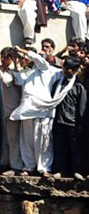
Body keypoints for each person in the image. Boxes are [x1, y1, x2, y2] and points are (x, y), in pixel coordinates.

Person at [10, 46, 76, 176]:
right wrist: (17, 64)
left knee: (44, 140)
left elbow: (36, 57)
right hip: (28, 108)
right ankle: (28, 166)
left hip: (43, 109)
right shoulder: (29, 72)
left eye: (26, 57)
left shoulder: (45, 68)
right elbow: (19, 80)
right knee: (27, 139)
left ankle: (45, 168)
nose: (25, 59)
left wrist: (19, 49)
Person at [50, 57, 86, 177]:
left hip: (73, 123)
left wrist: (80, 124)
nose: (65, 70)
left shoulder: (78, 87)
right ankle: (60, 170)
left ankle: (76, 171)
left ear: (73, 70)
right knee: (60, 147)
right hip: (59, 121)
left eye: (68, 68)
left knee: (75, 149)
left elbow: (81, 107)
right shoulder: (57, 84)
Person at [0, 48, 25, 174]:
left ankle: (15, 166)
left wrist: (13, 66)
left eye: (5, 57)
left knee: (13, 139)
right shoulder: (0, 69)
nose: (2, 60)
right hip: (1, 109)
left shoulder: (16, 72)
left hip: (12, 110)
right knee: (2, 139)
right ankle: (3, 163)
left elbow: (6, 80)